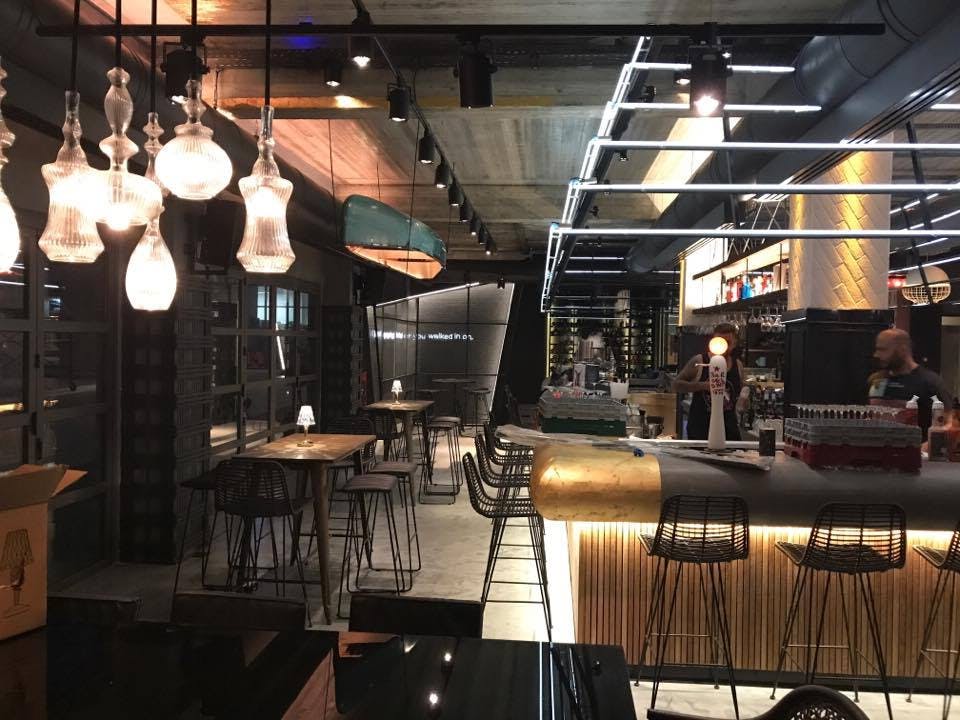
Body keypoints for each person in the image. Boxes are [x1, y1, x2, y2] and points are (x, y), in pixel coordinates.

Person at [673, 323, 749, 441]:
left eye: (727, 343)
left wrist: (744, 400)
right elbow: (676, 385)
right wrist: (703, 386)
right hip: (700, 430)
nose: (723, 346)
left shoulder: (737, 365)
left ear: (734, 343)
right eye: (719, 341)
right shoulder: (700, 361)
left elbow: (742, 400)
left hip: (729, 430)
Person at [871, 328, 954, 437]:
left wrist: (928, 444)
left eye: (883, 350)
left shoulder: (930, 382)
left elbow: (950, 424)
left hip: (915, 446)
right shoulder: (877, 380)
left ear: (902, 350)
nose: (876, 355)